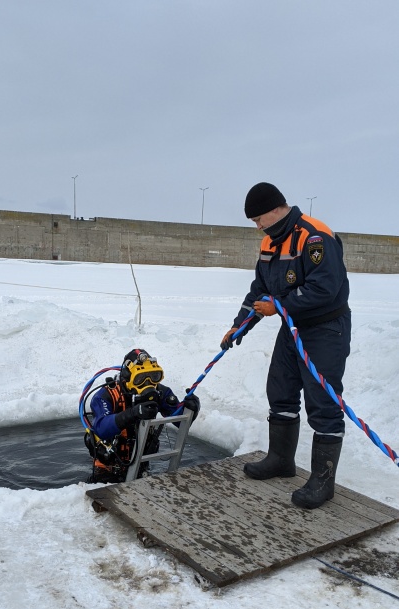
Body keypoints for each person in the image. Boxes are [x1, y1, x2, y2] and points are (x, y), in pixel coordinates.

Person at [221, 182, 351, 509]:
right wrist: (239, 326)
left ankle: (323, 482)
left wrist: (279, 307)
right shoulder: (270, 243)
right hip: (293, 327)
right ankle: (281, 460)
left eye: (258, 219)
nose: (257, 226)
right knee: (279, 389)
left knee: (323, 402)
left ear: (276, 209)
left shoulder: (315, 236)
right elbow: (259, 292)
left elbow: (325, 288)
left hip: (325, 328)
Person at [84, 348, 200, 484]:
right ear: (128, 377)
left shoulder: (160, 392)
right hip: (108, 469)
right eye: (140, 378)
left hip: (141, 464)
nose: (148, 383)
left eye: (154, 376)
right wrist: (133, 413)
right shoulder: (106, 395)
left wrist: (191, 410)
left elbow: (180, 422)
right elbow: (101, 428)